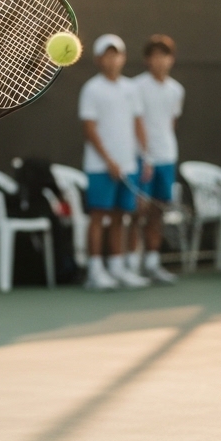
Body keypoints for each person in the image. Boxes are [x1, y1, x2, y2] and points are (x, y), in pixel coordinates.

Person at [79, 33, 149, 290]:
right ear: (99, 59)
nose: (112, 59)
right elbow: (89, 129)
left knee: (121, 217)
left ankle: (117, 268)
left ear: (123, 58)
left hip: (128, 165)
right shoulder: (91, 89)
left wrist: (145, 158)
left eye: (116, 54)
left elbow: (138, 125)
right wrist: (109, 160)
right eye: (107, 55)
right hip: (99, 167)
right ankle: (95, 271)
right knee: (99, 217)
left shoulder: (131, 89)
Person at [128, 34, 183, 285]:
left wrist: (161, 154)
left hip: (167, 158)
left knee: (158, 213)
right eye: (155, 56)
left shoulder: (176, 90)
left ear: (171, 60)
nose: (160, 61)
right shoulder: (136, 87)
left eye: (165, 56)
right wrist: (145, 156)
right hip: (141, 159)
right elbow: (134, 124)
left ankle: (152, 263)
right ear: (147, 60)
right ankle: (130, 264)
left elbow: (170, 123)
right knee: (137, 212)